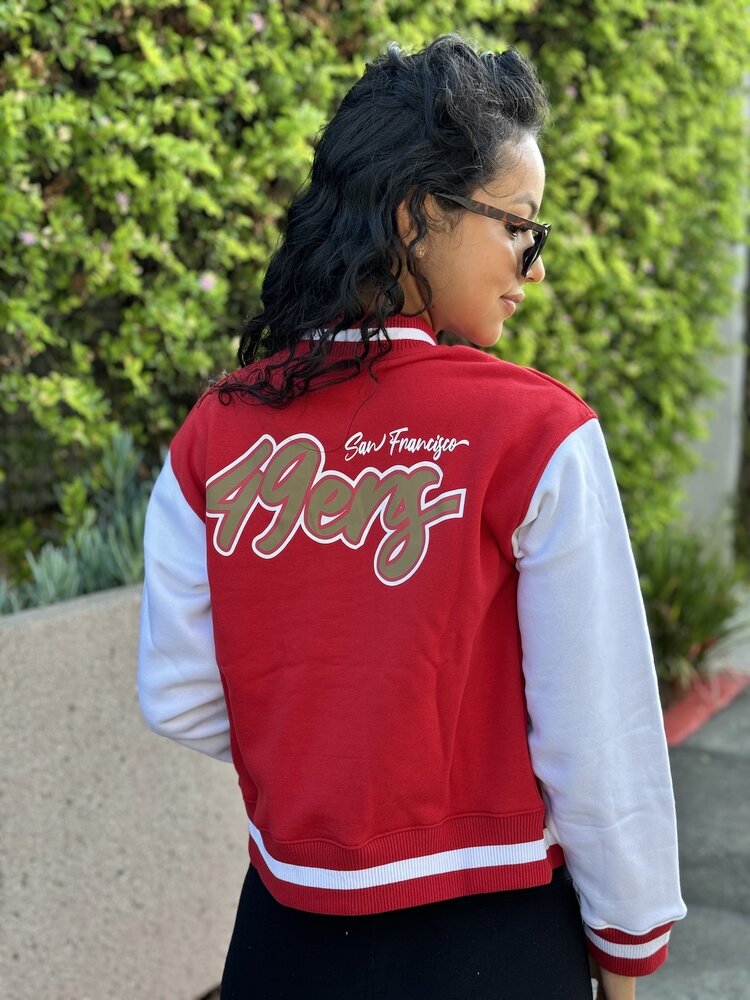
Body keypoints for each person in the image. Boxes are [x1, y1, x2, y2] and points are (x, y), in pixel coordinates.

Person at [137, 32, 686, 1000]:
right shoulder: (540, 430)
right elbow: (599, 737)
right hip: (496, 937)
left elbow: (179, 692)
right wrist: (628, 950)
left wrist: (331, 740)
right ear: (417, 215)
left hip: (282, 940)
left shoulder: (215, 431)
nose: (534, 266)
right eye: (520, 227)